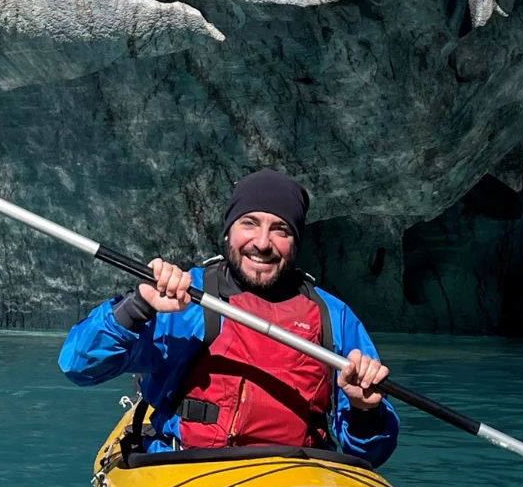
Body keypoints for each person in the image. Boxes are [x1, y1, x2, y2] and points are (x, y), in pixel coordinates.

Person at [58, 167, 400, 466]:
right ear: (227, 233)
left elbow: (371, 454)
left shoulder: (332, 317)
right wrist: (138, 306)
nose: (262, 243)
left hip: (300, 475)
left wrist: (365, 411)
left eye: (280, 229)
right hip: (187, 466)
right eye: (249, 224)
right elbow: (79, 367)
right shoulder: (183, 296)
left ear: (295, 243)